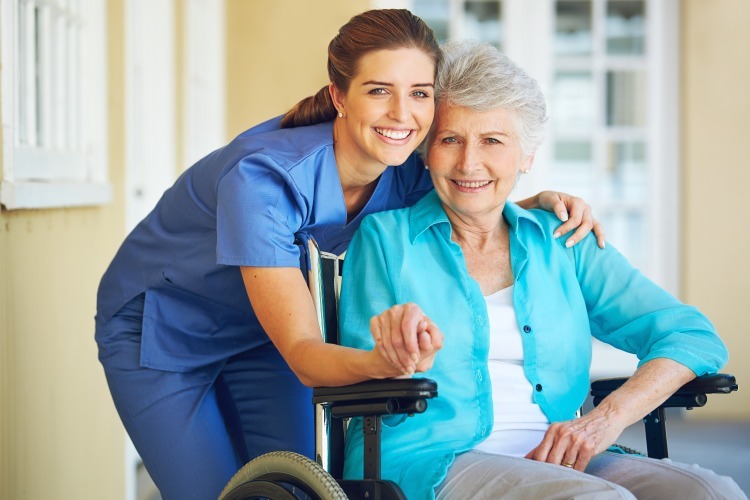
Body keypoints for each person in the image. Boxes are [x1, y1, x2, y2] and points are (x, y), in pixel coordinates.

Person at [94, 9, 603, 499]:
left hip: (263, 332)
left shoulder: (405, 169)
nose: (402, 114)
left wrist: (535, 204)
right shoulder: (264, 179)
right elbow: (304, 354)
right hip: (164, 332)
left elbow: (473, 192)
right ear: (339, 95)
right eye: (379, 90)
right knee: (212, 492)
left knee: (303, 488)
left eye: (419, 93)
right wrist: (378, 360)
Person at [338, 40, 745, 500]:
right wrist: (399, 357)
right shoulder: (385, 239)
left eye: (493, 140)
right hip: (427, 460)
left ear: (526, 157)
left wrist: (606, 418)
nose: (469, 162)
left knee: (713, 492)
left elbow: (692, 334)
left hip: (562, 456)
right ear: (427, 151)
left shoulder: (563, 240)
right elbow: (360, 371)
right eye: (450, 139)